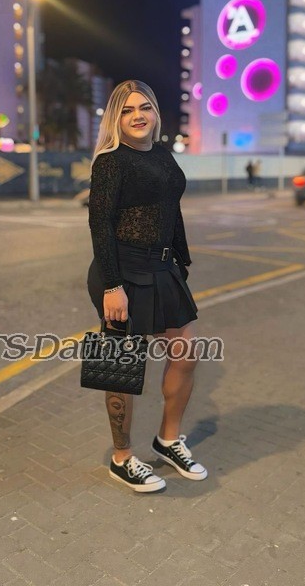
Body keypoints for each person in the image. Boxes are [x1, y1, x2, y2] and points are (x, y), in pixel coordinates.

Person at [87, 80, 208, 492]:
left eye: (145, 107)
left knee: (186, 355)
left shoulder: (161, 154)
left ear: (155, 113)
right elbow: (99, 224)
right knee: (121, 367)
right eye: (127, 110)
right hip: (121, 271)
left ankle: (168, 440)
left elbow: (171, 210)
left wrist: (181, 261)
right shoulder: (111, 162)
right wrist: (112, 285)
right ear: (115, 118)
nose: (137, 115)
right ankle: (121, 458)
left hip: (161, 267)